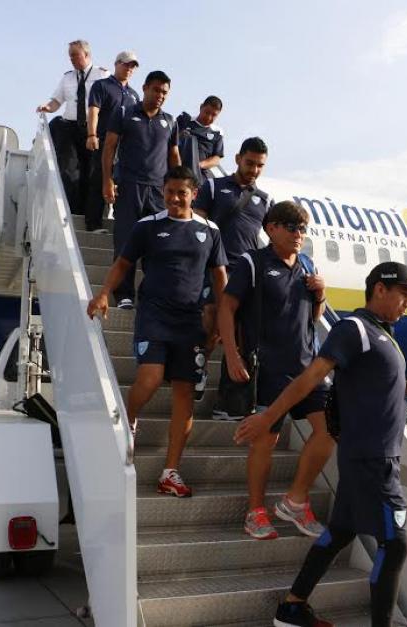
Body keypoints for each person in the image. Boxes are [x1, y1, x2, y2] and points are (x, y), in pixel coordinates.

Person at [235, 261, 407, 627]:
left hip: (373, 456)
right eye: (404, 294)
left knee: (341, 531)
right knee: (395, 544)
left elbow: (369, 384)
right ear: (379, 289)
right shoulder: (354, 329)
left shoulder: (381, 333)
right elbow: (310, 378)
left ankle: (292, 608)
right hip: (371, 460)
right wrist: (268, 417)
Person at [87, 166, 227, 498]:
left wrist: (223, 319)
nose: (175, 198)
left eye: (182, 193)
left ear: (194, 194)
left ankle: (170, 472)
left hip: (191, 321)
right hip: (154, 315)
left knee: (184, 395)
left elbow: (220, 277)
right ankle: (129, 421)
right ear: (163, 192)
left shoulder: (210, 231)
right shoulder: (148, 226)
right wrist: (104, 293)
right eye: (169, 191)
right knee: (149, 379)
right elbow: (123, 264)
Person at [218, 201, 330, 540]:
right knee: (266, 441)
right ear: (271, 229)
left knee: (330, 430)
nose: (299, 234)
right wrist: (232, 355)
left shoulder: (307, 264)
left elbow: (313, 318)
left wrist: (320, 295)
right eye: (292, 227)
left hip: (307, 368)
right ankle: (255, 512)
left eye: (303, 229)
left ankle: (295, 501)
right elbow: (227, 307)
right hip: (268, 368)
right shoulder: (253, 262)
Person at [191, 137, 271, 412]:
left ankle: (229, 401)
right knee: (212, 318)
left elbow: (271, 237)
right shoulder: (214, 187)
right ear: (237, 159)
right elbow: (197, 225)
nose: (254, 170)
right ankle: (198, 368)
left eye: (260, 165)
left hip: (245, 272)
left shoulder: (265, 200)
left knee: (240, 336)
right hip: (215, 267)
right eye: (250, 163)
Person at [102, 70, 182, 310]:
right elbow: (109, 147)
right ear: (145, 88)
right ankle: (124, 295)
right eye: (156, 90)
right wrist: (107, 180)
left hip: (158, 192)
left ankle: (153, 294)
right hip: (129, 186)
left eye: (164, 93)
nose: (160, 96)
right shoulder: (124, 112)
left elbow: (174, 155)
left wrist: (179, 188)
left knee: (158, 244)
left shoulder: (170, 121)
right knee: (126, 241)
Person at [36, 40, 108, 217]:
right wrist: (47, 108)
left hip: (92, 130)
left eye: (75, 55)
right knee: (69, 170)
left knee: (91, 171)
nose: (72, 59)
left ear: (86, 55)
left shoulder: (102, 75)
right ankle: (72, 210)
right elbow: (56, 101)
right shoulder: (67, 77)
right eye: (70, 56)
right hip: (70, 128)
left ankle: (90, 213)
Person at [84, 50, 140, 233]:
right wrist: (91, 134)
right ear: (117, 64)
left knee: (122, 184)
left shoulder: (134, 95)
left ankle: (121, 224)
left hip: (125, 147)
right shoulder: (102, 85)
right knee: (99, 179)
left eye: (132, 67)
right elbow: (94, 110)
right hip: (103, 140)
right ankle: (93, 223)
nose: (129, 69)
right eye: (126, 64)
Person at [177, 96, 224, 184]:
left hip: (199, 174)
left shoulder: (217, 132)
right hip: (178, 168)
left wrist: (197, 165)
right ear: (201, 107)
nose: (209, 117)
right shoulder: (185, 120)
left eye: (214, 115)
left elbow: (216, 159)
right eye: (207, 112)